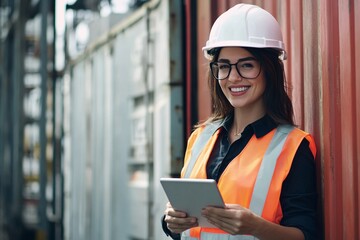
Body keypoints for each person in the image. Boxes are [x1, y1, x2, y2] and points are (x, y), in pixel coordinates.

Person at [162, 3, 318, 240]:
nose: (233, 77)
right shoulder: (201, 137)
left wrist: (256, 227)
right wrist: (171, 222)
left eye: (246, 65)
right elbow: (187, 229)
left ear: (269, 69)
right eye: (224, 66)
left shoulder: (294, 147)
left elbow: (307, 235)